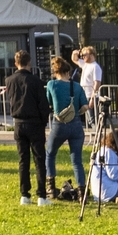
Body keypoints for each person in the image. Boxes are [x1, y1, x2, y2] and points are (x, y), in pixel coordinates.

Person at [4, 50, 51, 206]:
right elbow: (43, 105)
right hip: (35, 123)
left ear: (16, 63)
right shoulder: (36, 81)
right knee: (39, 159)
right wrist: (43, 122)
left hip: (18, 122)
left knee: (23, 160)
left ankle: (25, 194)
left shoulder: (9, 80)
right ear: (29, 62)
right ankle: (42, 196)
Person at [44, 59, 88, 198]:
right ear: (68, 71)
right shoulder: (76, 86)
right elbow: (85, 106)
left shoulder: (52, 84)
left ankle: (50, 187)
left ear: (56, 72)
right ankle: (82, 191)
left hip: (59, 124)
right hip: (76, 125)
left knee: (50, 154)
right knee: (76, 160)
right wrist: (76, 112)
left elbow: (49, 103)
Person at [73, 46, 105, 127]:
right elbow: (74, 59)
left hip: (90, 95)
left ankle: (98, 135)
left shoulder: (95, 67)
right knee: (87, 118)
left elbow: (97, 83)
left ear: (91, 55)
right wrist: (75, 53)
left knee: (92, 119)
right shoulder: (85, 64)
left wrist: (92, 98)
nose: (83, 57)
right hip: (84, 94)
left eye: (85, 55)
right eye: (82, 55)